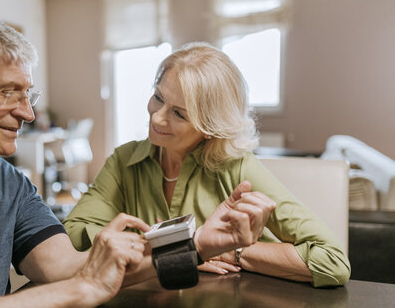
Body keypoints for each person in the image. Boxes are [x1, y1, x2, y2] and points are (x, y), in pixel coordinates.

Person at [0, 3, 276, 307]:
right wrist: (80, 290)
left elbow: (67, 267)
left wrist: (197, 245)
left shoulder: (8, 184)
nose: (28, 113)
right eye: (7, 92)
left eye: (27, 95)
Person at [64, 42, 351, 288]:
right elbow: (73, 236)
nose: (157, 117)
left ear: (210, 127)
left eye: (178, 113)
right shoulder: (124, 160)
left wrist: (229, 252)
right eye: (158, 97)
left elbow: (333, 261)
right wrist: (180, 248)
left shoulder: (238, 168)